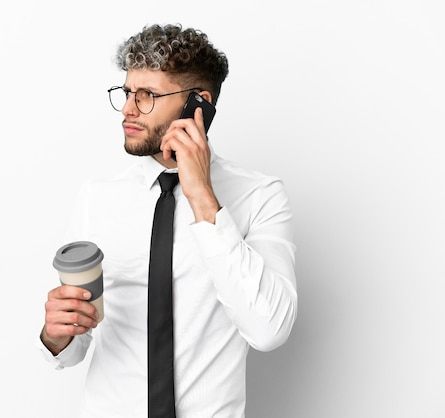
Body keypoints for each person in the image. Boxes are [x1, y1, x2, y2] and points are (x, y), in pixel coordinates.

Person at [38, 23, 298, 417]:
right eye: (127, 93)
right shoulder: (97, 198)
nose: (127, 109)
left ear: (199, 103)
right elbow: (75, 349)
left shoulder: (259, 196)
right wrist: (57, 335)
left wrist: (201, 197)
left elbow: (269, 330)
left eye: (147, 96)